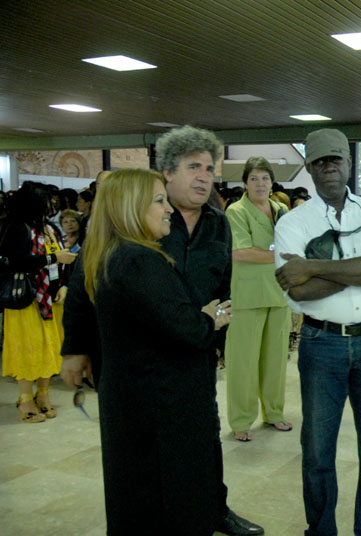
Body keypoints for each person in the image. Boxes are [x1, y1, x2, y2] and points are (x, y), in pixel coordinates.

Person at [61, 125, 264, 536]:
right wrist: (75, 348)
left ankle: (214, 508)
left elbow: (223, 287)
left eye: (209, 168)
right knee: (152, 459)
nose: (204, 176)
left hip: (194, 356)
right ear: (167, 172)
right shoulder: (134, 233)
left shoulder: (218, 223)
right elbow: (84, 284)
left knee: (203, 438)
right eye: (194, 167)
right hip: (147, 367)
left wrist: (213, 338)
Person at [80, 168, 231, 534]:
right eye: (160, 201)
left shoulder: (114, 255)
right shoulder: (140, 260)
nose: (169, 210)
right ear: (132, 207)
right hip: (161, 407)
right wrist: (209, 319)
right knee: (168, 503)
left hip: (138, 401)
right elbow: (185, 329)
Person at [274, 128, 361, 536]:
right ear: (310, 168)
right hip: (321, 342)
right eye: (320, 161)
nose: (329, 167)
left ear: (349, 163)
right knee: (317, 450)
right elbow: (299, 291)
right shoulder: (293, 223)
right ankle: (321, 530)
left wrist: (312, 266)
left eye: (336, 159)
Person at [225, 156, 292, 441]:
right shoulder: (236, 211)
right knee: (244, 362)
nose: (260, 184)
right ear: (245, 183)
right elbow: (240, 252)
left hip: (279, 294)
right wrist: (282, 255)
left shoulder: (281, 209)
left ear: (272, 182)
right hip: (248, 296)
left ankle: (274, 413)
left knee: (276, 361)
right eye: (253, 178)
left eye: (265, 178)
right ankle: (241, 420)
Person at [2, 181, 77, 422]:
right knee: (28, 347)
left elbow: (64, 260)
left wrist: (64, 284)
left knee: (50, 348)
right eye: (47, 201)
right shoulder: (18, 227)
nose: (52, 205)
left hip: (52, 299)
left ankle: (43, 394)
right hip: (28, 299)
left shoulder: (50, 228)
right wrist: (52, 258)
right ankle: (25, 398)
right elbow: (16, 261)